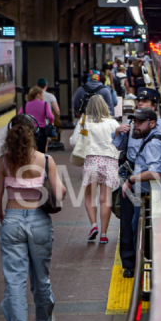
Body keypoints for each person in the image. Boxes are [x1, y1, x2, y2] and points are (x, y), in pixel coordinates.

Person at [0, 113, 64, 321]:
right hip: (39, 220)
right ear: (34, 134)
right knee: (41, 277)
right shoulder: (45, 160)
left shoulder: (3, 161)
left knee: (15, 279)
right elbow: (60, 193)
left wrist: (2, 216)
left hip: (12, 219)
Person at [116, 108, 161, 277]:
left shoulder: (154, 143)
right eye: (134, 122)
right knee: (131, 226)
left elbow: (156, 172)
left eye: (140, 122)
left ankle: (134, 265)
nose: (136, 125)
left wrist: (132, 179)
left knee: (133, 226)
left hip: (143, 192)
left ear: (152, 123)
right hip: (141, 191)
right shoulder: (149, 138)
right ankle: (133, 263)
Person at [70, 93, 120, 244]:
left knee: (90, 197)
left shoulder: (84, 121)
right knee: (105, 199)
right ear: (105, 106)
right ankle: (104, 234)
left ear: (88, 107)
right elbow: (120, 142)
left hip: (92, 161)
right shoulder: (113, 123)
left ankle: (93, 225)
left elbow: (73, 142)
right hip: (109, 161)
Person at [22, 85, 54, 153]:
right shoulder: (45, 104)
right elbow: (51, 117)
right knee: (41, 151)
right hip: (41, 131)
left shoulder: (25, 105)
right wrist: (51, 123)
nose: (43, 96)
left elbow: (19, 116)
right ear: (38, 95)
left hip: (29, 130)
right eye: (42, 94)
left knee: (30, 150)